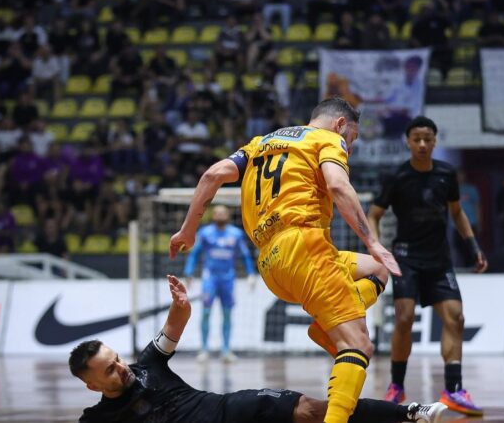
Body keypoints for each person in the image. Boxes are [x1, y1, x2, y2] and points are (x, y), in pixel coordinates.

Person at [170, 97, 402, 423]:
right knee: (359, 344)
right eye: (352, 138)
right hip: (305, 248)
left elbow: (212, 174)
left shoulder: (261, 142)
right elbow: (337, 184)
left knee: (375, 270)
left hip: (271, 263)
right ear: (340, 125)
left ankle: (324, 326)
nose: (349, 146)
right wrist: (373, 241)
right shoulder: (328, 138)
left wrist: (188, 231)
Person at [70, 275, 445, 423]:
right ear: (92, 385)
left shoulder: (148, 363)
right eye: (109, 370)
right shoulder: (97, 419)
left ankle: (410, 413)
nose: (121, 368)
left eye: (116, 359)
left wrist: (180, 305)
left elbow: (175, 324)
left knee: (313, 410)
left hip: (230, 410)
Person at [367, 117, 487, 416]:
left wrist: (473, 246)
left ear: (434, 142)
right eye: (417, 138)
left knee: (455, 317)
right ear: (408, 141)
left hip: (439, 259)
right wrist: (377, 249)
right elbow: (373, 215)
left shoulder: (447, 174)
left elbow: (457, 213)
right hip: (406, 257)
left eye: (428, 139)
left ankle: (455, 389)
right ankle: (396, 385)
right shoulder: (396, 176)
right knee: (404, 318)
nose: (422, 144)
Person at [183, 205, 257, 363]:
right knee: (206, 313)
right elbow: (194, 254)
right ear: (213, 215)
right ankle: (204, 349)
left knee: (228, 314)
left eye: (223, 212)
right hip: (210, 279)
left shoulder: (236, 234)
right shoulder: (205, 233)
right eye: (217, 213)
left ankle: (226, 350)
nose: (220, 215)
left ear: (228, 215)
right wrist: (188, 272)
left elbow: (245, 255)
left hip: (228, 279)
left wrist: (251, 273)